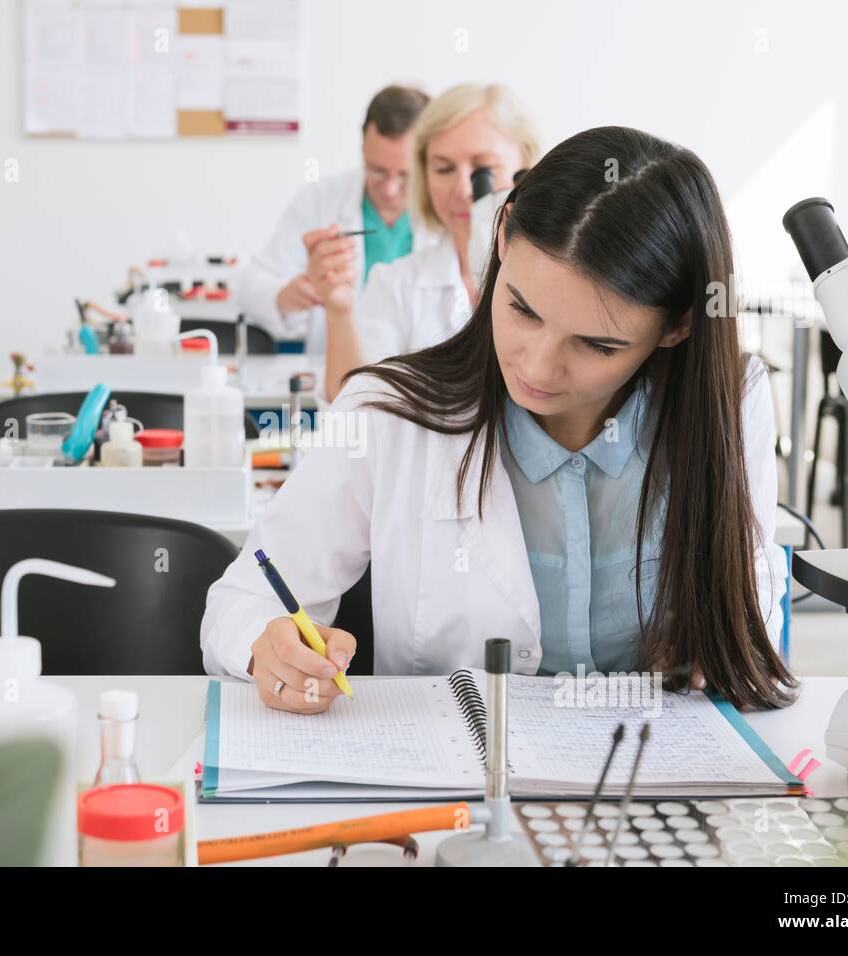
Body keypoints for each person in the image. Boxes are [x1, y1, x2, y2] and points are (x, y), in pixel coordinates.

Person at [201, 125, 797, 716]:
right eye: (521, 309)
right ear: (503, 238)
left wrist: (727, 641)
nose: (537, 366)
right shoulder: (384, 413)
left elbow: (755, 590)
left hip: (651, 777)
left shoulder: (731, 403)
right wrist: (267, 647)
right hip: (456, 791)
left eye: (596, 345)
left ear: (678, 326)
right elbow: (245, 599)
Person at [309, 83, 539, 400]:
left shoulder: (558, 276)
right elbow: (351, 402)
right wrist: (339, 312)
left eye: (482, 170)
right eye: (443, 169)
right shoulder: (396, 283)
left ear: (525, 169)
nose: (462, 189)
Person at [234, 84, 432, 343]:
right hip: (334, 369)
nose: (390, 189)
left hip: (418, 375)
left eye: (405, 175)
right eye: (377, 171)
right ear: (362, 148)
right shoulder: (320, 200)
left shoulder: (448, 213)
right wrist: (284, 296)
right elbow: (250, 282)